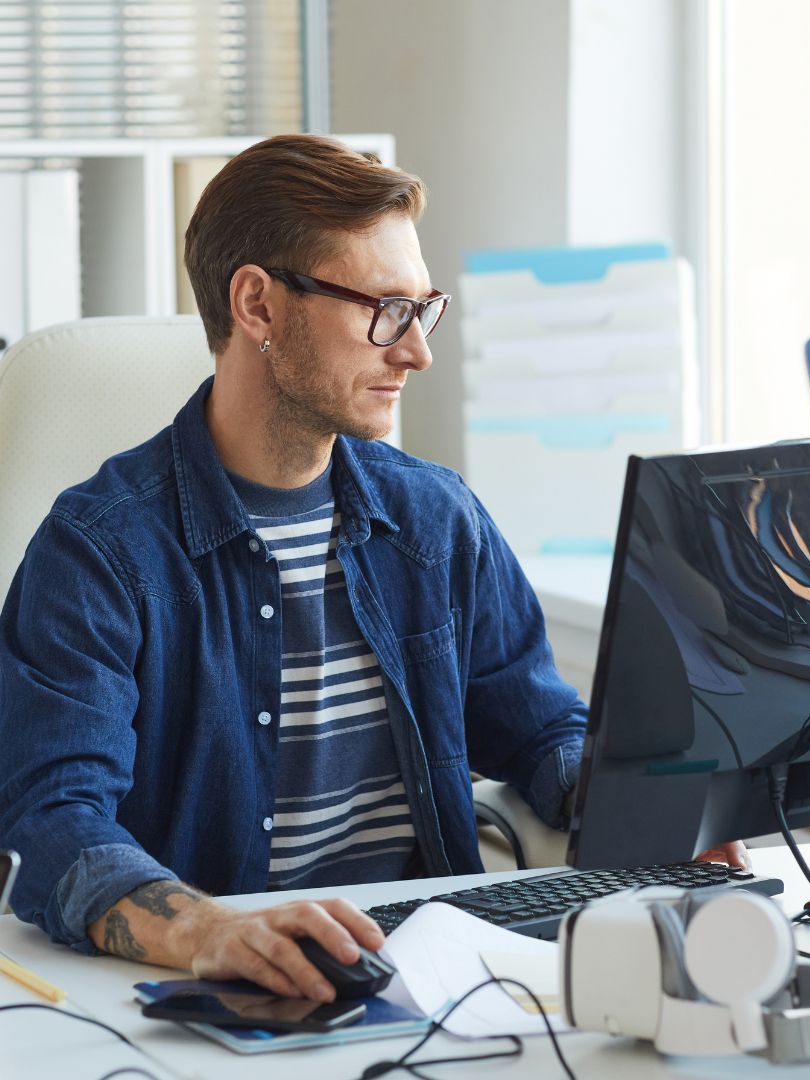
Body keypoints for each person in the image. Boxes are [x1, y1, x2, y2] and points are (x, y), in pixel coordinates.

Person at [0, 135, 745, 1003]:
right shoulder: (100, 551)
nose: (416, 352)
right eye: (384, 310)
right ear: (257, 305)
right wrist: (209, 926)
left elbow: (539, 730)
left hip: (440, 976)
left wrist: (653, 813)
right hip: (224, 987)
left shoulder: (436, 519)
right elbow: (53, 822)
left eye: (422, 309)